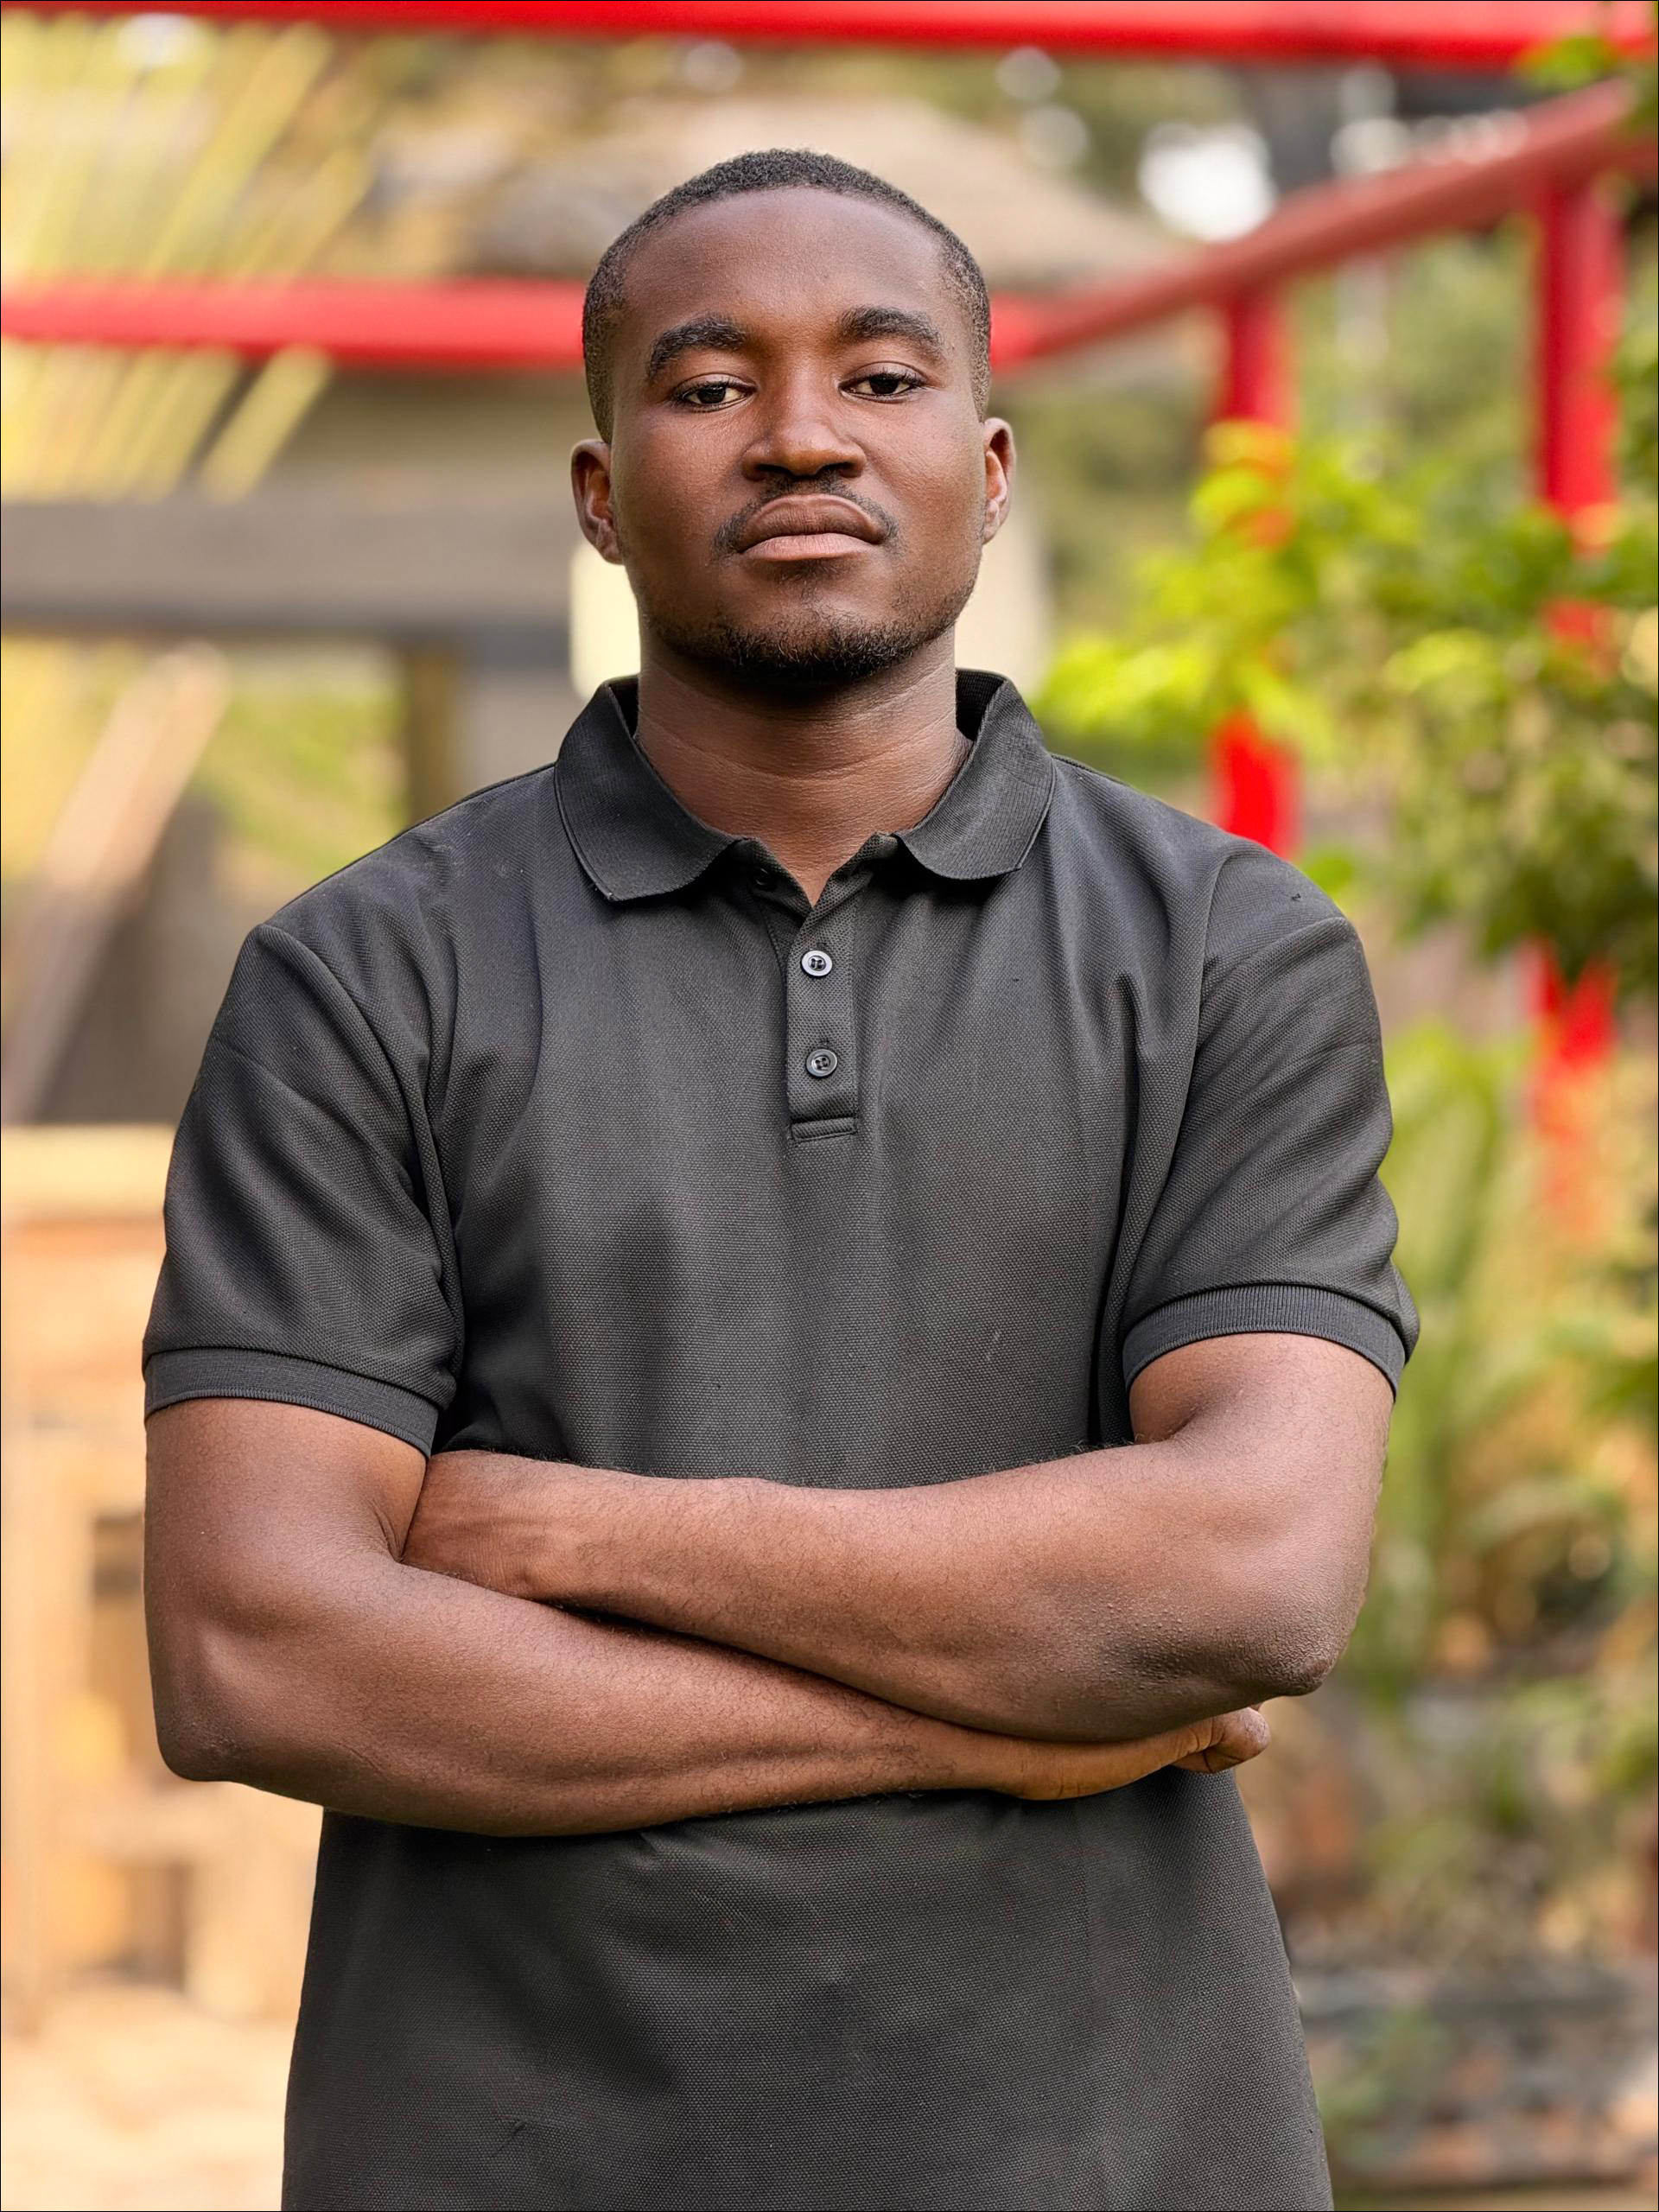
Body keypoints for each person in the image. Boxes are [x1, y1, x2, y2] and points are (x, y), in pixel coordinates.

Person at [142, 151, 1418, 2212]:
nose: (803, 433)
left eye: (883, 376)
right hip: (505, 2156)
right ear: (598, 491)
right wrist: (1015, 1720)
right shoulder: (365, 973)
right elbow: (256, 1647)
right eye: (712, 382)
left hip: (1107, 2150)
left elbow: (1256, 1566)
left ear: (990, 474)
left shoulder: (1222, 951)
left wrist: (577, 1529)